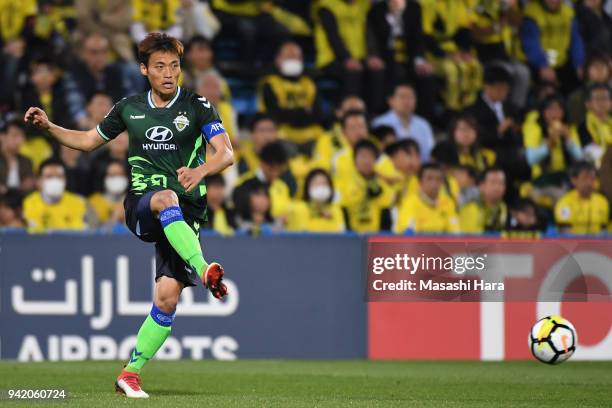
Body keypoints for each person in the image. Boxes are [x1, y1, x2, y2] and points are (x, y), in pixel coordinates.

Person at [24, 33, 234, 398]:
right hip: (144, 204)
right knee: (165, 197)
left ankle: (130, 373)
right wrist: (49, 128)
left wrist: (200, 172)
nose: (169, 74)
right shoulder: (129, 108)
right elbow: (89, 140)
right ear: (143, 70)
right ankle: (204, 270)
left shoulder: (199, 106)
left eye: (174, 66)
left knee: (167, 299)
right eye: (159, 67)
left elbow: (226, 153)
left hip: (185, 216)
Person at [257, 41, 324, 146]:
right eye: (289, 56)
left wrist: (289, 113)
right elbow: (274, 115)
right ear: (278, 60)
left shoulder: (309, 84)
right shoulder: (270, 83)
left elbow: (318, 115)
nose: (293, 60)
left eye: (296, 57)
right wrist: (303, 111)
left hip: (312, 135)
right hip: (281, 136)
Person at [523, 95, 583, 204]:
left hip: (565, 177)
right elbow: (531, 159)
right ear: (543, 111)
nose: (555, 113)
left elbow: (580, 157)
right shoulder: (534, 128)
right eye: (550, 109)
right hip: (542, 179)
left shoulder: (569, 128)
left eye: (559, 109)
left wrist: (568, 139)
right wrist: (548, 144)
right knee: (563, 198)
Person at [520, 0, 585, 95]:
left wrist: (578, 64)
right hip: (536, 64)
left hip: (561, 61)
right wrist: (542, 65)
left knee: (579, 81)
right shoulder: (532, 14)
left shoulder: (568, 13)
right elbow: (530, 44)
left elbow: (576, 41)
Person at [338, 140, 393, 233]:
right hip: (351, 238)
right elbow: (343, 213)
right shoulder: (344, 184)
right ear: (354, 160)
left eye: (370, 157)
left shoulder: (383, 185)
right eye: (363, 156)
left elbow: (386, 215)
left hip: (375, 238)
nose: (366, 161)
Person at [372, 83, 434, 162]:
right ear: (391, 100)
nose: (407, 101)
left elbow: (428, 154)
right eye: (402, 97)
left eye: (410, 97)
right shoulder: (380, 123)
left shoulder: (423, 125)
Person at [22, 158, 87, 233]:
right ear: (39, 181)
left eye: (59, 177)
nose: (55, 181)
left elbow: (77, 232)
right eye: (49, 177)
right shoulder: (31, 202)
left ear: (65, 180)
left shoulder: (77, 202)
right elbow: (36, 232)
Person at [394, 162, 460, 234]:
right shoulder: (410, 202)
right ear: (420, 182)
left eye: (438, 179)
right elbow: (407, 234)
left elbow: (455, 232)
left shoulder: (447, 202)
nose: (434, 183)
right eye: (429, 178)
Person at [555, 161, 609, 234]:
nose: (589, 183)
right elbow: (565, 234)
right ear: (574, 180)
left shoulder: (602, 201)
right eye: (585, 178)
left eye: (592, 178)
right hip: (574, 244)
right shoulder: (564, 202)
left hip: (597, 244)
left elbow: (603, 231)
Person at [287, 168, 345, 233]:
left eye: (324, 183)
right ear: (308, 187)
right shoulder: (299, 208)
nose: (321, 187)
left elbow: (340, 232)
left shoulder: (336, 210)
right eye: (316, 183)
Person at [573, 83, 612, 167]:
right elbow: (589, 154)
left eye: (605, 98)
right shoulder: (582, 127)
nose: (602, 103)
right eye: (597, 99)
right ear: (588, 104)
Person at [459, 167, 508, 234]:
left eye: (501, 183)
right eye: (493, 183)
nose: (497, 187)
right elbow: (469, 240)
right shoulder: (471, 208)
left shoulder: (502, 207)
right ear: (481, 186)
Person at [88, 159, 129, 228]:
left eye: (120, 174)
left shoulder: (134, 201)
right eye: (112, 175)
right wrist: (113, 219)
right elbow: (91, 232)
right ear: (104, 178)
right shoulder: (94, 202)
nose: (116, 178)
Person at [0, 120, 35, 194]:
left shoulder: (26, 161)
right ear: (2, 137)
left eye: (22, 136)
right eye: (15, 135)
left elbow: (29, 185)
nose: (20, 140)